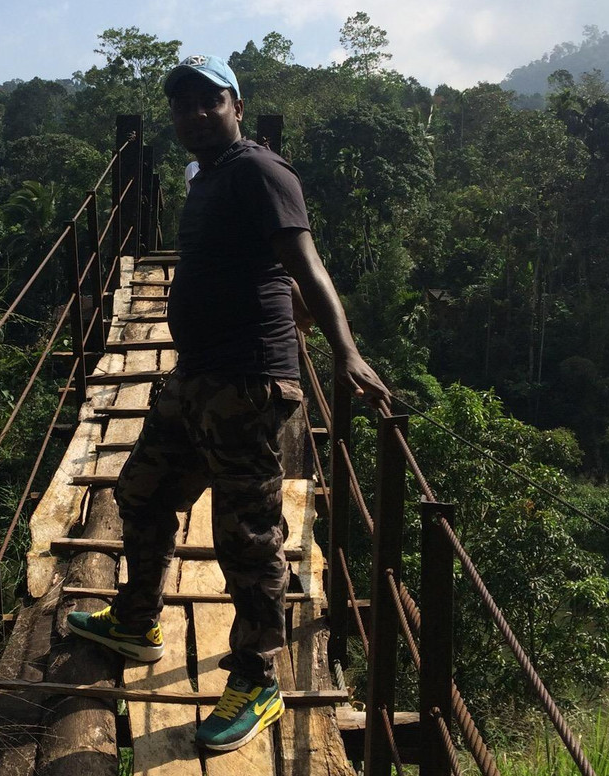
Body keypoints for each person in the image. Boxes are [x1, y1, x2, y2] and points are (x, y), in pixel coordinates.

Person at [67, 54, 390, 752]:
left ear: (237, 107)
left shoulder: (259, 170)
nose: (195, 114)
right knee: (142, 492)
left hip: (247, 384)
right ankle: (137, 621)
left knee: (246, 538)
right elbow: (260, 261)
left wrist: (346, 352)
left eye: (209, 101)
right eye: (182, 104)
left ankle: (257, 681)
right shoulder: (208, 177)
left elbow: (306, 261)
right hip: (197, 379)